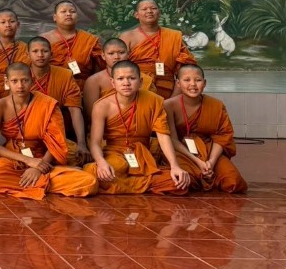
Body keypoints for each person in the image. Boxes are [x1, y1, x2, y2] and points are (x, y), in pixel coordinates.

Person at [0, 63, 98, 200]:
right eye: (14, 81)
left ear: (32, 80)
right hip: (14, 157)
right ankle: (45, 182)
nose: (20, 86)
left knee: (89, 183)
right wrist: (28, 160)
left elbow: (55, 144)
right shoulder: (0, 105)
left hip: (44, 158)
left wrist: (38, 168)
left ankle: (35, 181)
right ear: (7, 82)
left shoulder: (48, 104)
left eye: (25, 80)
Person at [85, 60, 191, 195]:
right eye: (120, 79)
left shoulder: (154, 101)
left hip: (143, 155)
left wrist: (174, 166)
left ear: (140, 82)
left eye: (132, 78)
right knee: (107, 170)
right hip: (114, 153)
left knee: (177, 182)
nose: (126, 83)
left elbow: (163, 135)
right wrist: (101, 163)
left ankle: (126, 185)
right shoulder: (102, 106)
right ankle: (143, 183)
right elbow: (95, 142)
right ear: (113, 82)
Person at [164, 64, 247, 193]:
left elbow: (222, 137)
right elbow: (172, 140)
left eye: (198, 80)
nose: (193, 84)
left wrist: (211, 162)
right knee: (182, 182)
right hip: (182, 151)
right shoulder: (168, 105)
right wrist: (198, 161)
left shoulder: (216, 105)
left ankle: (207, 175)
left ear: (205, 83)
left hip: (209, 150)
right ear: (178, 84)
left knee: (234, 182)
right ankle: (201, 176)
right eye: (187, 80)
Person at [27, 36, 90, 166]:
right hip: (30, 136)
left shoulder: (65, 76)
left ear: (51, 54)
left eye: (44, 51)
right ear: (28, 55)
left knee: (77, 158)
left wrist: (81, 143)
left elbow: (75, 110)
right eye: (35, 51)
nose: (40, 55)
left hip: (57, 134)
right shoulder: (21, 77)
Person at [120, 0, 197, 98]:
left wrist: (173, 99)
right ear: (136, 15)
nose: (149, 11)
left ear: (159, 12)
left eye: (153, 8)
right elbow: (118, 69)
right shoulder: (127, 37)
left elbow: (187, 69)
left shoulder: (173, 36)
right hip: (136, 91)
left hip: (169, 91)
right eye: (144, 9)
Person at [82, 38, 155, 118]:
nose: (116, 57)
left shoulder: (143, 79)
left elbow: (152, 109)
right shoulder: (94, 81)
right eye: (111, 53)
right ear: (103, 56)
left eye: (121, 53)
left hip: (140, 122)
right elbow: (91, 114)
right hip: (105, 124)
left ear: (128, 54)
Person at [39, 0, 103, 90]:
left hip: (82, 89)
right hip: (51, 87)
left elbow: (99, 70)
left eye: (72, 11)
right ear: (55, 17)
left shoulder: (89, 40)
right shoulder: (44, 39)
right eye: (63, 11)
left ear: (77, 17)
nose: (68, 14)